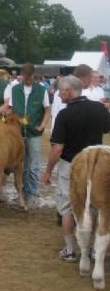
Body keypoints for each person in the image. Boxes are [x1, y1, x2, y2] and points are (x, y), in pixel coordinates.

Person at [41, 75, 110, 262]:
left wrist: (48, 170)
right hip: (96, 163)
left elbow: (57, 148)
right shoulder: (99, 108)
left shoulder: (64, 114)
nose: (57, 94)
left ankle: (70, 250)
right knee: (96, 206)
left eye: (60, 90)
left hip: (71, 165)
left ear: (69, 92)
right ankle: (96, 249)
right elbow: (106, 130)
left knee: (67, 207)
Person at [9, 63, 50, 206]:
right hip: (17, 133)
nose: (28, 79)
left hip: (34, 133)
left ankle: (31, 193)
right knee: (21, 166)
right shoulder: (14, 89)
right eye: (25, 76)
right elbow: (9, 108)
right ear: (22, 75)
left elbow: (47, 110)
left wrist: (43, 124)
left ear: (34, 75)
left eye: (30, 76)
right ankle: (23, 192)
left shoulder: (41, 90)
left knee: (33, 165)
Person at [50, 64, 92, 130]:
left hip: (59, 130)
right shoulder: (81, 93)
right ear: (85, 78)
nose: (91, 80)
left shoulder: (59, 91)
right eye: (91, 77)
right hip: (70, 132)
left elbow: (54, 113)